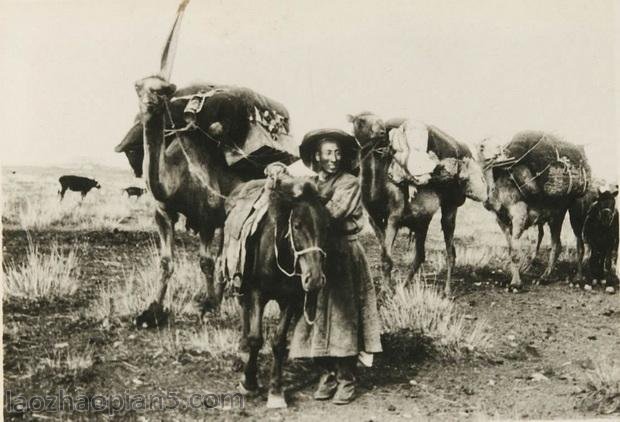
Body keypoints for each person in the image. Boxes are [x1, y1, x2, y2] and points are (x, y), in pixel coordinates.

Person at [289, 129, 382, 405]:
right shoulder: (310, 181)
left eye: (338, 153)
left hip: (344, 253)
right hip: (319, 255)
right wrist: (278, 173)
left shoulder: (349, 183)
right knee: (317, 315)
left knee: (344, 317)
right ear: (317, 156)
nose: (334, 158)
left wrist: (302, 203)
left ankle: (347, 378)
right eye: (328, 153)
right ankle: (327, 374)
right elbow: (291, 191)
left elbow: (329, 214)